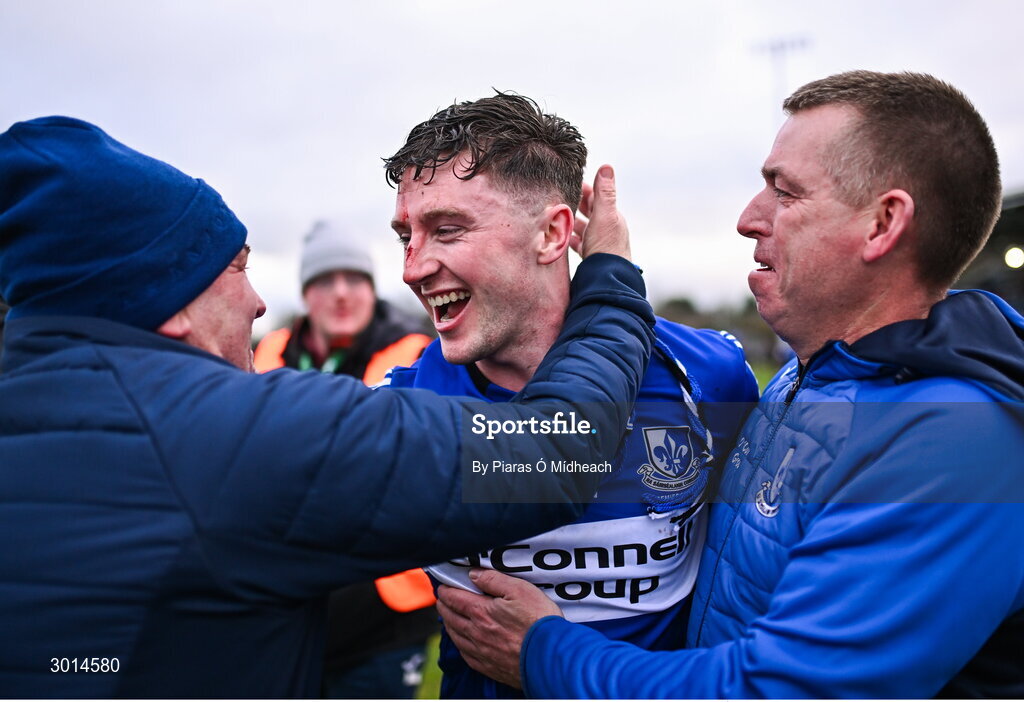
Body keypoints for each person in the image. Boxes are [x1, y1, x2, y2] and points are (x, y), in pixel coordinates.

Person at [0, 115, 657, 698]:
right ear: (165, 301)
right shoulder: (239, 436)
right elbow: (557, 450)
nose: (259, 303)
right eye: (234, 268)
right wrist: (612, 277)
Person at [436, 71, 1024, 698]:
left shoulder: (956, 444)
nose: (748, 219)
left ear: (883, 224)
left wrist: (541, 650)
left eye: (785, 192)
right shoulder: (810, 377)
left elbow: (777, 690)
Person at [383, 93, 758, 698]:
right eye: (406, 235)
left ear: (555, 233)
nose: (411, 267)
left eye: (447, 230)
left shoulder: (706, 376)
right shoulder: (406, 402)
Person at [254, 220, 437, 698]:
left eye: (354, 279)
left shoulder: (417, 354)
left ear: (372, 287)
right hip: (285, 608)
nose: (340, 293)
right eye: (324, 280)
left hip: (383, 615)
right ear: (304, 292)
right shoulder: (267, 353)